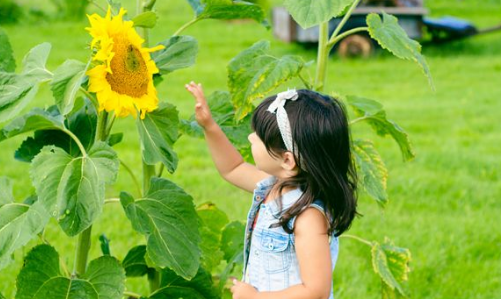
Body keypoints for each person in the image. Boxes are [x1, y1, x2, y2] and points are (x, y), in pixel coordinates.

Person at [185, 82, 358, 299]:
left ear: (287, 160)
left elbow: (316, 291)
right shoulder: (274, 186)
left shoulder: (308, 217)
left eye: (259, 136)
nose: (250, 138)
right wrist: (209, 126)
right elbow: (233, 168)